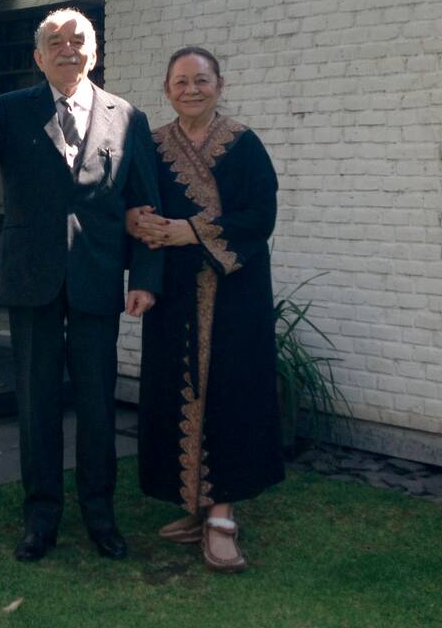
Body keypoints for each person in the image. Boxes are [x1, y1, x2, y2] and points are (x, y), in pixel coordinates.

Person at [0, 8, 163, 562]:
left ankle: (100, 516)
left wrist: (145, 278)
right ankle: (40, 520)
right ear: (38, 57)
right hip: (32, 278)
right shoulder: (12, 109)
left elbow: (145, 203)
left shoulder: (127, 117)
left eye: (78, 39)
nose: (68, 48)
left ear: (95, 51)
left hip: (96, 279)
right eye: (54, 41)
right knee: (38, 405)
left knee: (96, 406)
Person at [126, 46, 284, 573]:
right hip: (173, 294)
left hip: (234, 296)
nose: (190, 89)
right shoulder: (151, 145)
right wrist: (138, 223)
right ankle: (193, 504)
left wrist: (189, 230)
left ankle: (222, 517)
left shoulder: (244, 144)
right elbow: (135, 200)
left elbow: (260, 215)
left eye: (201, 80)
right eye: (180, 82)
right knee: (177, 390)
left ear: (221, 84)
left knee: (230, 394)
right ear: (166, 89)